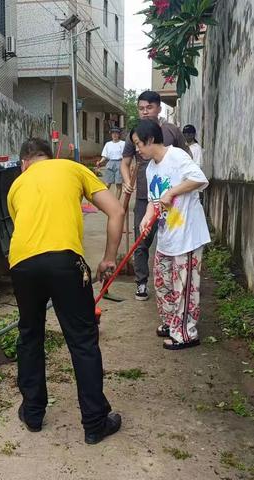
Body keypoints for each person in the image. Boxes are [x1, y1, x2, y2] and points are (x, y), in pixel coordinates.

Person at [8, 138, 125, 445]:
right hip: (64, 262)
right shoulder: (72, 168)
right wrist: (109, 258)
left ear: (25, 163)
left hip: (21, 265)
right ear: (49, 157)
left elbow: (26, 229)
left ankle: (32, 413)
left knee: (30, 336)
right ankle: (94, 422)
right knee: (83, 342)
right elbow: (116, 212)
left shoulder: (17, 186)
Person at [134, 120, 210, 350]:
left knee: (184, 287)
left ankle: (186, 333)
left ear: (149, 140)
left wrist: (173, 191)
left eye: (138, 144)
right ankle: (171, 323)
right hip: (167, 235)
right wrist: (147, 218)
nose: (137, 149)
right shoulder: (150, 168)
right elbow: (152, 201)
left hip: (186, 236)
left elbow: (199, 179)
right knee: (163, 282)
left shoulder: (176, 157)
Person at [121, 90, 191, 302]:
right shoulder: (133, 134)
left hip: (171, 198)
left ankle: (173, 284)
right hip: (146, 196)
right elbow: (125, 162)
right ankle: (142, 282)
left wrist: (176, 189)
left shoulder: (171, 131)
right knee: (142, 239)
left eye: (149, 108)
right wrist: (126, 181)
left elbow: (187, 162)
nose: (144, 112)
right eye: (141, 108)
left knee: (169, 239)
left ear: (159, 108)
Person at [96, 127, 125, 199]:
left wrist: (127, 166)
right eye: (113, 133)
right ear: (111, 135)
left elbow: (125, 156)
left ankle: (116, 202)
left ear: (119, 134)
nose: (114, 135)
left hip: (120, 163)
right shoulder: (108, 144)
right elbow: (105, 156)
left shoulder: (123, 143)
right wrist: (100, 162)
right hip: (110, 163)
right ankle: (104, 200)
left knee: (118, 184)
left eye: (116, 133)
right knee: (107, 184)